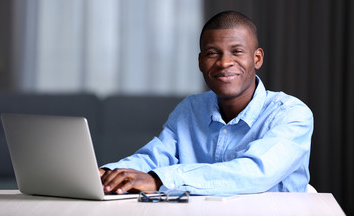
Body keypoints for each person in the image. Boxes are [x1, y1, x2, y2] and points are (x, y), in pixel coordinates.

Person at [99, 11, 314, 195]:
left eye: (237, 51)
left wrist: (159, 180)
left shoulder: (292, 114)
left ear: (257, 58)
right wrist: (108, 175)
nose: (224, 62)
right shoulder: (191, 109)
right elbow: (155, 157)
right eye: (212, 53)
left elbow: (256, 172)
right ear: (200, 62)